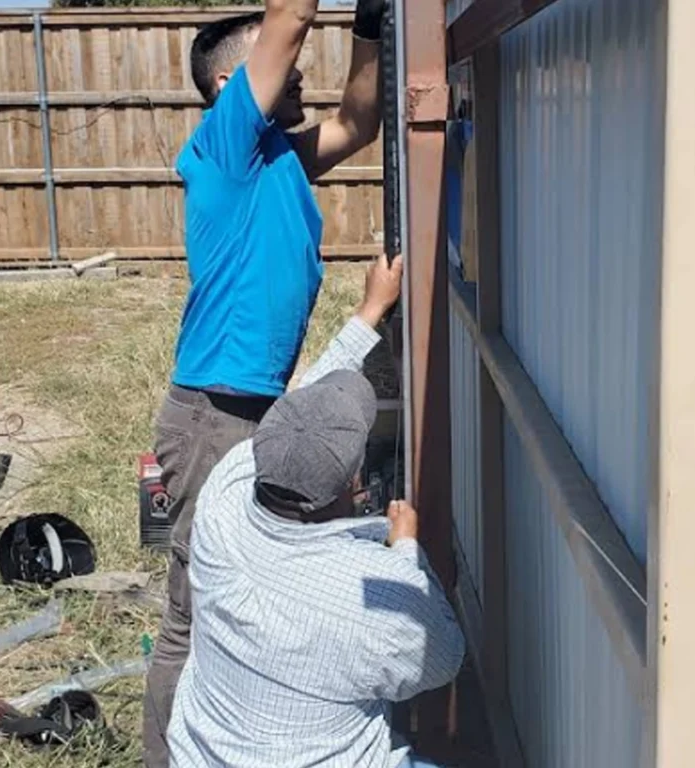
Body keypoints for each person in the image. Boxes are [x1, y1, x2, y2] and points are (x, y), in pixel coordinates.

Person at [143, 0, 387, 764]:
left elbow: (359, 119)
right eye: (283, 68)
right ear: (228, 84)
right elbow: (290, 16)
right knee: (197, 613)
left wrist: (373, 26)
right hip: (213, 415)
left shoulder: (277, 156)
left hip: (250, 411)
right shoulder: (225, 145)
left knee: (248, 595)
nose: (302, 75)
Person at [166, 257, 465, 768]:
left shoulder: (224, 496)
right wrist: (406, 553)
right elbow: (442, 657)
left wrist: (369, 311)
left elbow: (304, 404)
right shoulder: (363, 596)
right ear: (353, 484)